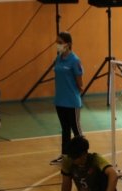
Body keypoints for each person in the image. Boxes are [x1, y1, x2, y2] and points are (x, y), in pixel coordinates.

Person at [50, 31, 84, 165]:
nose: (57, 45)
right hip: (60, 100)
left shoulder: (75, 60)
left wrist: (75, 91)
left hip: (71, 101)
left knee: (76, 130)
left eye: (60, 42)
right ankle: (65, 156)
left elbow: (80, 82)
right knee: (65, 129)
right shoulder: (58, 58)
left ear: (68, 44)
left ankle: (83, 155)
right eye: (56, 42)